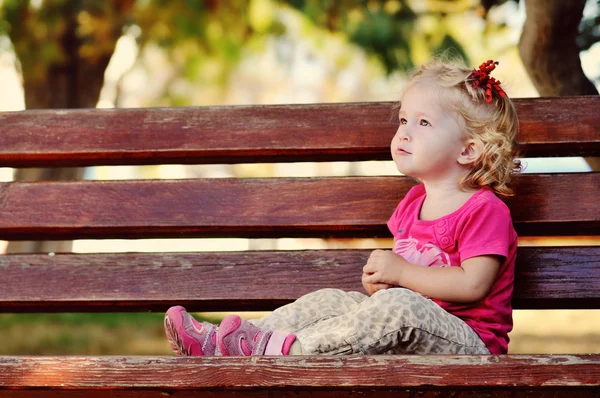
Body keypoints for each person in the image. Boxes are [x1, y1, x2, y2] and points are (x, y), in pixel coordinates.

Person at [163, 58, 521, 357]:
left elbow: (473, 285)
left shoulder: (484, 210)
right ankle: (236, 341)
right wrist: (382, 283)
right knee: (334, 299)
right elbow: (405, 288)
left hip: (470, 344)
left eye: (423, 122)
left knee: (399, 308)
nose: (405, 133)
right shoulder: (413, 205)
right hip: (412, 326)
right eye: (403, 120)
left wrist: (399, 276)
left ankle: (292, 352)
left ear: (468, 150)